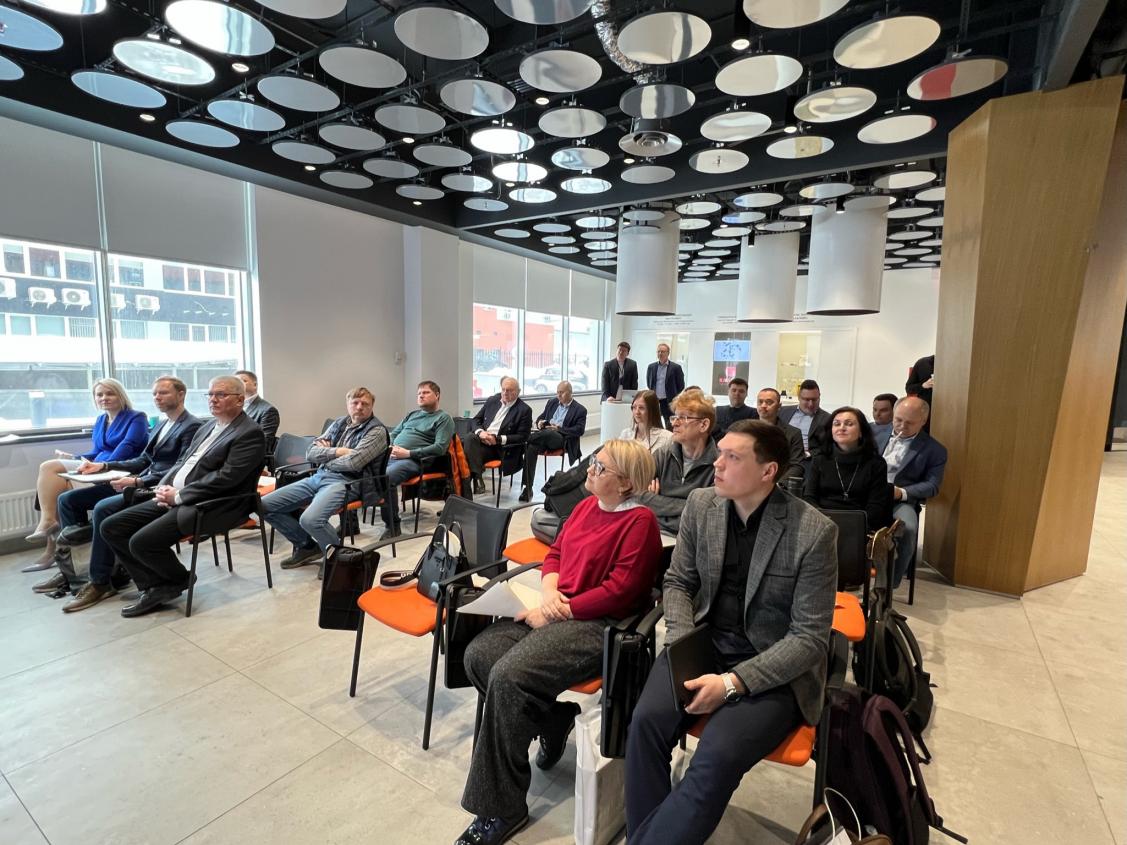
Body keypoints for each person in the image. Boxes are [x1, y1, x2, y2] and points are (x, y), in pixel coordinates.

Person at [625, 420, 838, 845]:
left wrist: (731, 684)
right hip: (703, 645)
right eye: (719, 453)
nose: (717, 464)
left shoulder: (813, 532)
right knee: (645, 724)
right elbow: (678, 583)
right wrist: (681, 644)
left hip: (771, 668)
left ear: (768, 471)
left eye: (732, 457)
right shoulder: (702, 504)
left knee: (716, 756)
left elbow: (809, 639)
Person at [455, 439, 662, 845]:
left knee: (509, 676)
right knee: (479, 655)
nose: (590, 470)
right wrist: (549, 591)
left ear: (625, 483)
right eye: (594, 462)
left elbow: (621, 591)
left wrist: (555, 611)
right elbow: (555, 555)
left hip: (599, 624)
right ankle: (553, 718)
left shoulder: (640, 523)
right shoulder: (585, 507)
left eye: (600, 468)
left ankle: (502, 808)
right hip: (557, 606)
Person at [99, 376, 266, 617]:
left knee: (140, 542)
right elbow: (182, 463)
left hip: (212, 503)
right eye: (210, 394)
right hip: (177, 496)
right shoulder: (208, 426)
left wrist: (179, 495)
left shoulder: (249, 433)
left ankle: (176, 579)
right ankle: (155, 586)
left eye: (221, 394)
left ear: (240, 400)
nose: (213, 400)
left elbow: (227, 478)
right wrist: (163, 487)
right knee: (111, 527)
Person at [33, 377, 202, 610]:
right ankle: (75, 571)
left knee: (103, 509)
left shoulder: (191, 426)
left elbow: (178, 468)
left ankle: (100, 581)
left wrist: (138, 480)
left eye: (163, 393)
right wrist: (102, 466)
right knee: (67, 500)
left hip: (156, 486)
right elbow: (144, 459)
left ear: (181, 394)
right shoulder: (163, 425)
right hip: (138, 479)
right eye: (154, 393)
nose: (157, 397)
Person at [24, 378, 149, 571]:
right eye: (99, 395)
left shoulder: (137, 417)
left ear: (120, 395)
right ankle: (55, 535)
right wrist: (75, 458)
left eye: (110, 393)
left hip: (118, 471)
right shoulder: (101, 420)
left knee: (56, 479)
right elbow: (97, 451)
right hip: (97, 468)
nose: (104, 398)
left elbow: (127, 447)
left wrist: (99, 466)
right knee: (51, 472)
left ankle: (56, 549)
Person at [262, 387, 388, 570]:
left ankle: (336, 559)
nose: (359, 407)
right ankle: (307, 547)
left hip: (348, 482)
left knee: (310, 520)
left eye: (365, 404)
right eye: (355, 402)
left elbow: (353, 463)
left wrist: (326, 456)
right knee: (264, 505)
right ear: (348, 404)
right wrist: (339, 451)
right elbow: (310, 452)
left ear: (372, 406)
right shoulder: (340, 423)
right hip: (319, 476)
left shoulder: (376, 431)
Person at [878, 397, 947, 587]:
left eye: (909, 423)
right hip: (867, 494)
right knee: (846, 518)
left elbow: (932, 486)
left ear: (923, 421)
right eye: (898, 419)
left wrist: (901, 492)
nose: (901, 426)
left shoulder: (935, 449)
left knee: (907, 529)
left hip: (900, 500)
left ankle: (889, 584)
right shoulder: (873, 433)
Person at [379, 381, 455, 539]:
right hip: (393, 455)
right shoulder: (412, 415)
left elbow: (439, 448)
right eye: (419, 393)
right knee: (359, 468)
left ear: (437, 395)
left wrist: (408, 453)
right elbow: (393, 434)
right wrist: (390, 446)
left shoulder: (444, 418)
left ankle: (393, 526)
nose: (421, 396)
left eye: (425, 392)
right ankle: (351, 523)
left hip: (416, 461)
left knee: (386, 477)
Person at [638, 388, 719, 535]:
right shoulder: (663, 454)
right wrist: (690, 507)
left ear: (704, 425)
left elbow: (708, 514)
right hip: (655, 533)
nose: (674, 423)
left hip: (692, 541)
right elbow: (638, 494)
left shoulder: (719, 465)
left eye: (683, 417)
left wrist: (657, 503)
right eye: (674, 417)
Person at [803, 406, 893, 530]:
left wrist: (853, 526)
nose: (841, 428)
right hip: (822, 523)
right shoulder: (820, 459)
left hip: (860, 526)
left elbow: (875, 507)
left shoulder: (876, 463)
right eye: (836, 424)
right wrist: (822, 522)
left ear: (861, 431)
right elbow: (809, 497)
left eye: (849, 424)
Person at [518, 381, 587, 502]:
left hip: (561, 439)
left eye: (562, 392)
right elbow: (541, 417)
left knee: (549, 433)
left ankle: (522, 438)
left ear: (570, 393)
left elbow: (579, 430)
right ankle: (528, 488)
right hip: (543, 436)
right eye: (557, 392)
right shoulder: (552, 402)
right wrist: (540, 422)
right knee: (531, 447)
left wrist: (558, 429)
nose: (559, 395)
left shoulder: (580, 410)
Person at [465, 377, 533, 496]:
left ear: (518, 392)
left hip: (500, 448)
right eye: (503, 389)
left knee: (465, 456)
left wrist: (497, 439)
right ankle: (477, 476)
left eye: (510, 390)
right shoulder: (493, 400)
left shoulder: (524, 410)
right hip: (481, 441)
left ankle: (464, 491)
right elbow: (475, 420)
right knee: (470, 438)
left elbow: (523, 437)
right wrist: (481, 432)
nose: (505, 393)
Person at [755, 388, 805, 479]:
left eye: (769, 402)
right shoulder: (746, 431)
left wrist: (777, 484)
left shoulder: (793, 433)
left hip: (779, 481)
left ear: (779, 406)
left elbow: (797, 466)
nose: (763, 405)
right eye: (760, 402)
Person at [236, 370, 280, 462]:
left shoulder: (268, 410)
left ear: (255, 385)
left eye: (243, 381)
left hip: (250, 458)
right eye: (236, 382)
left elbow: (263, 443)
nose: (238, 385)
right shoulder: (233, 407)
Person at [779, 379, 831, 458]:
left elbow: (827, 447)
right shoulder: (782, 411)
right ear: (799, 397)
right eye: (806, 399)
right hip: (780, 455)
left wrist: (808, 454)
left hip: (806, 459)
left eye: (814, 400)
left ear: (819, 397)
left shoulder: (827, 419)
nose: (811, 404)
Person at [621, 389, 673, 454]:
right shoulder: (625, 435)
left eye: (641, 408)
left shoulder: (667, 438)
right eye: (634, 407)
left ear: (652, 410)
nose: (637, 412)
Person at [646, 343, 685, 427]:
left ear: (668, 353)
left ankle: (669, 435)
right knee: (654, 422)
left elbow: (681, 385)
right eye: (658, 351)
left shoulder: (676, 367)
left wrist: (675, 397)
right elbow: (649, 383)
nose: (660, 353)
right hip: (655, 400)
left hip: (668, 401)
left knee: (669, 423)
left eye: (663, 351)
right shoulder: (651, 367)